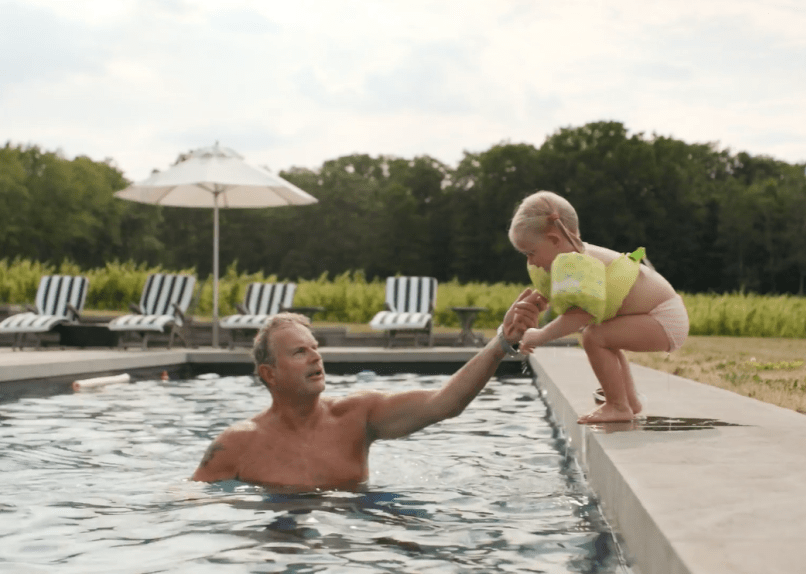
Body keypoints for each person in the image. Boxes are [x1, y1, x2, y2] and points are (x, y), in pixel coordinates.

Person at [191, 289, 546, 489]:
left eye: (315, 347)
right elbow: (191, 502)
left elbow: (445, 403)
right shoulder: (236, 444)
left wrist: (502, 343)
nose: (316, 356)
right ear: (269, 374)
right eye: (300, 352)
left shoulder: (357, 415)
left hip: (356, 536)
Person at [509, 190, 689, 424]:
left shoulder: (579, 264)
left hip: (663, 318)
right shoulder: (573, 257)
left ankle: (618, 406)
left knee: (594, 336)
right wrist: (540, 299)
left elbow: (579, 316)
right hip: (662, 315)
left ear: (554, 240)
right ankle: (629, 401)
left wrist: (540, 335)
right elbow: (564, 293)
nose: (530, 262)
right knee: (604, 337)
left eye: (531, 253)